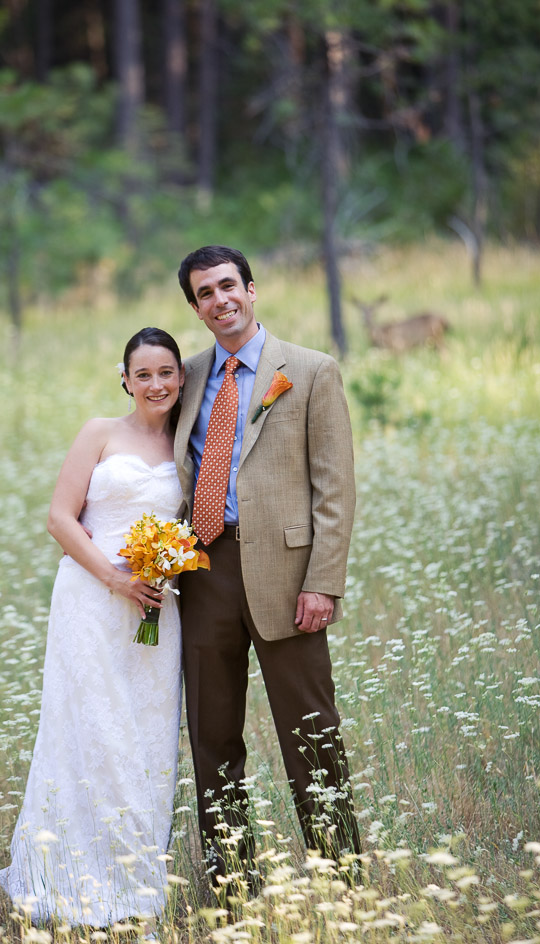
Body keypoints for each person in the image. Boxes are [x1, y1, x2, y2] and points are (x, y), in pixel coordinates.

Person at [174, 246, 361, 888]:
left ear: (251, 289)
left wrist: (322, 582)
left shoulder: (311, 371)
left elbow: (334, 490)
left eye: (229, 285)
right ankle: (234, 884)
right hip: (202, 573)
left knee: (311, 730)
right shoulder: (188, 376)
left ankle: (341, 880)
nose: (220, 299)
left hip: (288, 578)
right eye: (205, 293)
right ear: (195, 309)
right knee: (213, 737)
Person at [0, 328, 185, 930]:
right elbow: (59, 517)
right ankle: (73, 878)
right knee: (95, 733)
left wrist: (163, 570)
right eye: (143, 374)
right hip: (92, 600)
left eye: (166, 373)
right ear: (125, 379)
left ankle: (138, 885)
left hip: (157, 607)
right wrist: (115, 579)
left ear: (182, 378)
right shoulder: (100, 433)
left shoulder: (190, 440)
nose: (156, 384)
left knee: (148, 738)